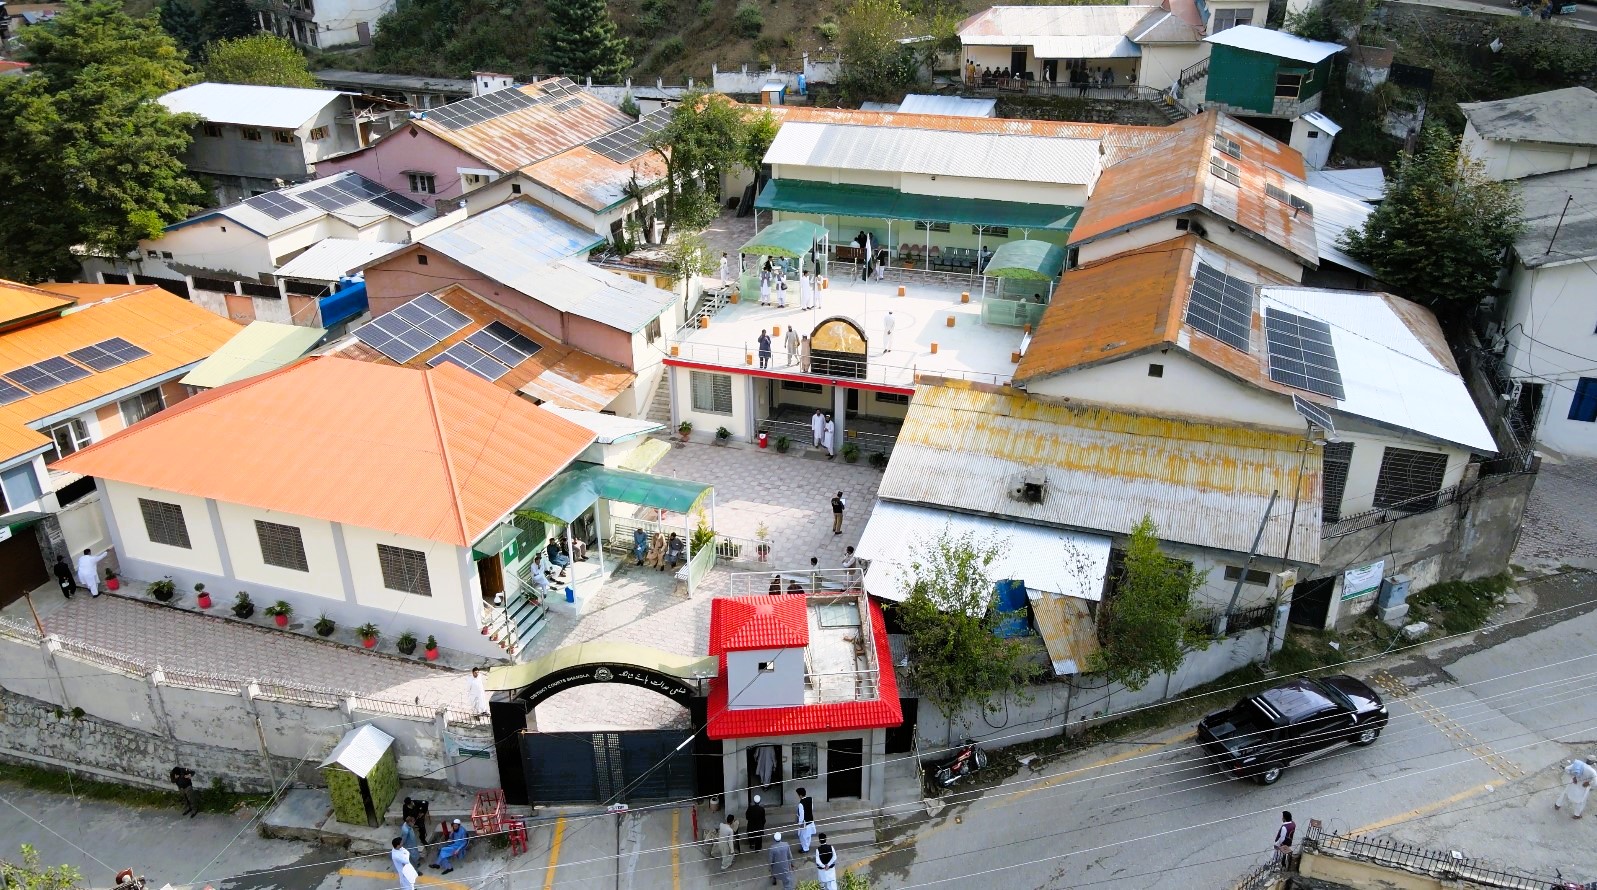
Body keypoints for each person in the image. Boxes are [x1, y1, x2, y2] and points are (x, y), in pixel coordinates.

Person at [795, 788, 816, 852]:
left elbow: (802, 816)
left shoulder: (801, 804)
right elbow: (811, 809)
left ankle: (805, 848)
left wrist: (799, 823)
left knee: (803, 836)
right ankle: (806, 846)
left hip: (804, 822)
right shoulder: (810, 799)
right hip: (810, 820)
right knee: (808, 836)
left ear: (800, 795)